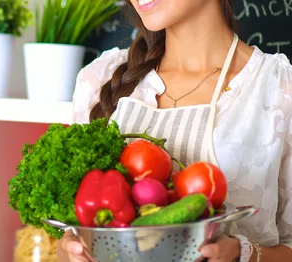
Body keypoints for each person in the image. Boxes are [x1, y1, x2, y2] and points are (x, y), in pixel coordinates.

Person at [59, 0, 292, 261]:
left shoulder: (279, 89)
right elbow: (66, 239)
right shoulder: (99, 80)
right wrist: (71, 251)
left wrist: (245, 254)